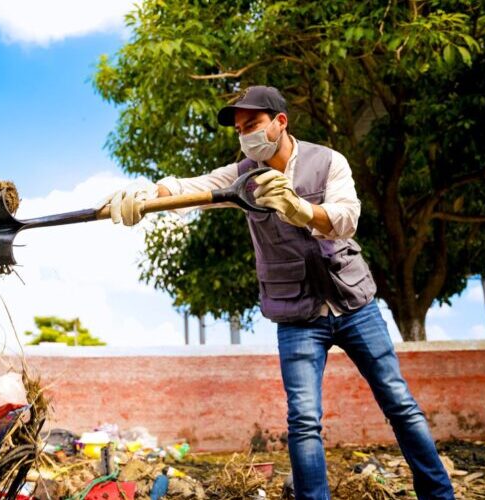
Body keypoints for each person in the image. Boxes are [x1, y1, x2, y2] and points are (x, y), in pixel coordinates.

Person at [106, 86, 454, 499]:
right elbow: (189, 188)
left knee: (399, 403)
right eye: (239, 130)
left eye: (251, 125)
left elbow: (346, 218)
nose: (245, 136)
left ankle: (438, 495)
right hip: (297, 316)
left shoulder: (328, 162)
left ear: (280, 122)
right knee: (304, 422)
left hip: (353, 304)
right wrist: (148, 196)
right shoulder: (242, 176)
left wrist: (301, 210)